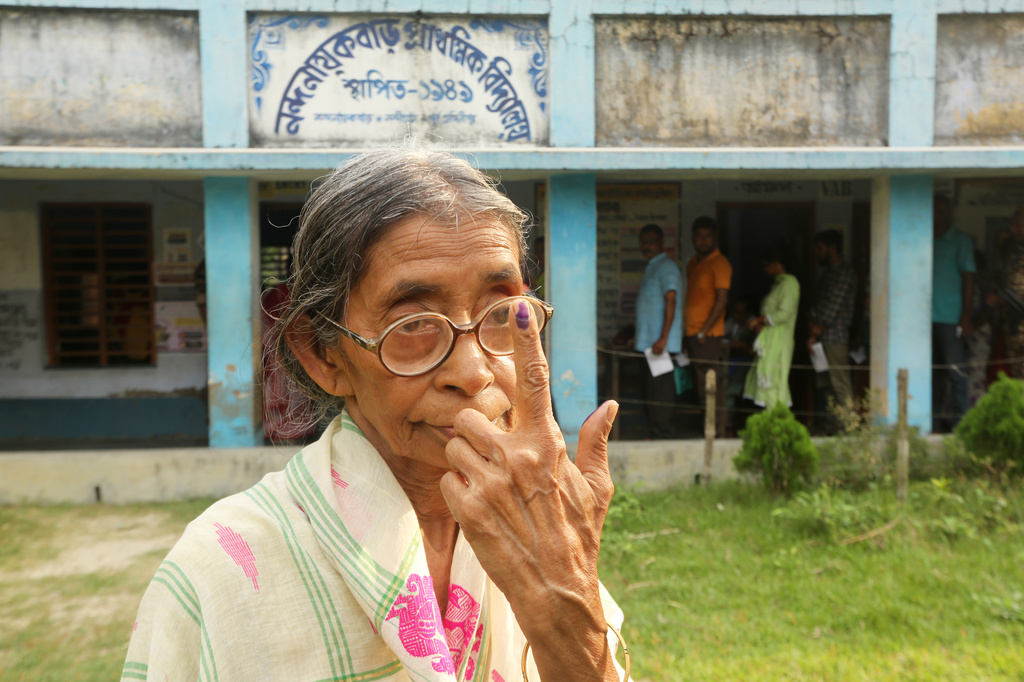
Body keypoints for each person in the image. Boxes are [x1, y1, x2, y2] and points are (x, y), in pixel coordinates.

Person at [123, 146, 627, 681]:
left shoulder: (543, 535)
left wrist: (563, 598)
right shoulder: (219, 571)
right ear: (323, 355)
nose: (475, 371)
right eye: (412, 324)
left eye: (503, 313)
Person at [634, 223, 683, 439]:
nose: (646, 245)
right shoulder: (652, 266)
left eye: (651, 241)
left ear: (662, 243)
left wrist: (663, 338)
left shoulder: (667, 267)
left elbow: (671, 301)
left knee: (661, 392)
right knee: (650, 391)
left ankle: (664, 433)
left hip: (660, 345)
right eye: (643, 242)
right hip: (648, 344)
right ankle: (655, 430)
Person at [932, 194, 975, 431]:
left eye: (941, 210)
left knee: (956, 374)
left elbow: (969, 278)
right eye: (934, 210)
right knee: (931, 376)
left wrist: (965, 316)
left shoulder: (961, 240)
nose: (937, 214)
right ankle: (933, 426)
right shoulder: (923, 238)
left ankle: (961, 428)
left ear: (949, 213)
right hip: (923, 319)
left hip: (951, 319)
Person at [685, 216, 732, 433]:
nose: (703, 241)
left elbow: (722, 300)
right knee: (700, 385)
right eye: (699, 236)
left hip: (708, 335)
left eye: (707, 236)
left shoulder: (720, 263)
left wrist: (704, 331)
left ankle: (715, 431)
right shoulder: (693, 263)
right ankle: (708, 429)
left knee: (710, 385)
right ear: (693, 238)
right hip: (693, 334)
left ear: (715, 238)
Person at [808, 229, 857, 432]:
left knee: (840, 384)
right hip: (822, 339)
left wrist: (814, 330)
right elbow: (817, 306)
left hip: (835, 338)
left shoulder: (844, 273)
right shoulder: (829, 273)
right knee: (826, 384)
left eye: (820, 248)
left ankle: (849, 427)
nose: (816, 253)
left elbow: (830, 310)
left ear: (833, 248)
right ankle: (835, 425)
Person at [744, 250, 801, 409]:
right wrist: (762, 324)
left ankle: (777, 420)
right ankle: (771, 420)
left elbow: (784, 313)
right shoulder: (779, 284)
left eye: (766, 265)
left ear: (776, 264)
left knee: (775, 379)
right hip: (770, 339)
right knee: (768, 378)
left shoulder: (789, 284)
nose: (764, 269)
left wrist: (759, 320)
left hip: (780, 340)